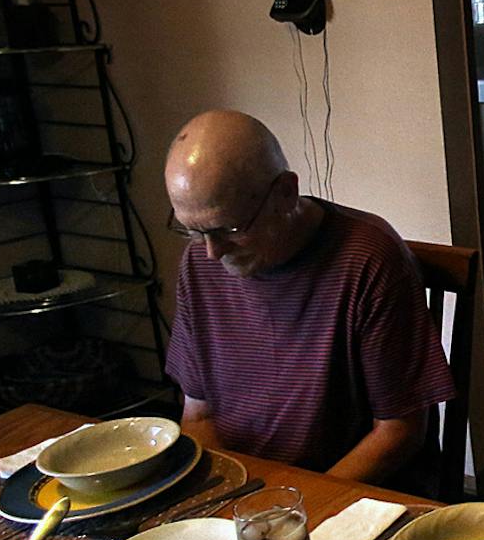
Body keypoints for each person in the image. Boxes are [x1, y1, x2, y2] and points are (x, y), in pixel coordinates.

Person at [163, 110, 454, 492]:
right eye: (193, 231)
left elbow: (399, 431)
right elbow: (198, 416)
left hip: (345, 496)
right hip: (243, 493)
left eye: (230, 229)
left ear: (286, 192)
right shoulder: (199, 263)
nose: (212, 252)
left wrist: (289, 505)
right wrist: (228, 500)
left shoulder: (368, 259)